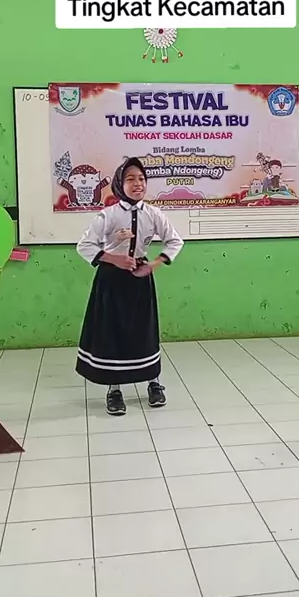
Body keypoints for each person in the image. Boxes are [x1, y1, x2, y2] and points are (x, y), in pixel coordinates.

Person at [75, 157, 184, 415]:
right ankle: (114, 389)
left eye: (142, 179)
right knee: (112, 333)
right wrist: (114, 259)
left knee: (144, 332)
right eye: (131, 179)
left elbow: (175, 241)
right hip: (111, 282)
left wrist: (154, 264)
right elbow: (84, 246)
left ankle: (154, 383)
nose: (138, 184)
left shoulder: (154, 214)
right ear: (119, 184)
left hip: (140, 280)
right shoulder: (108, 215)